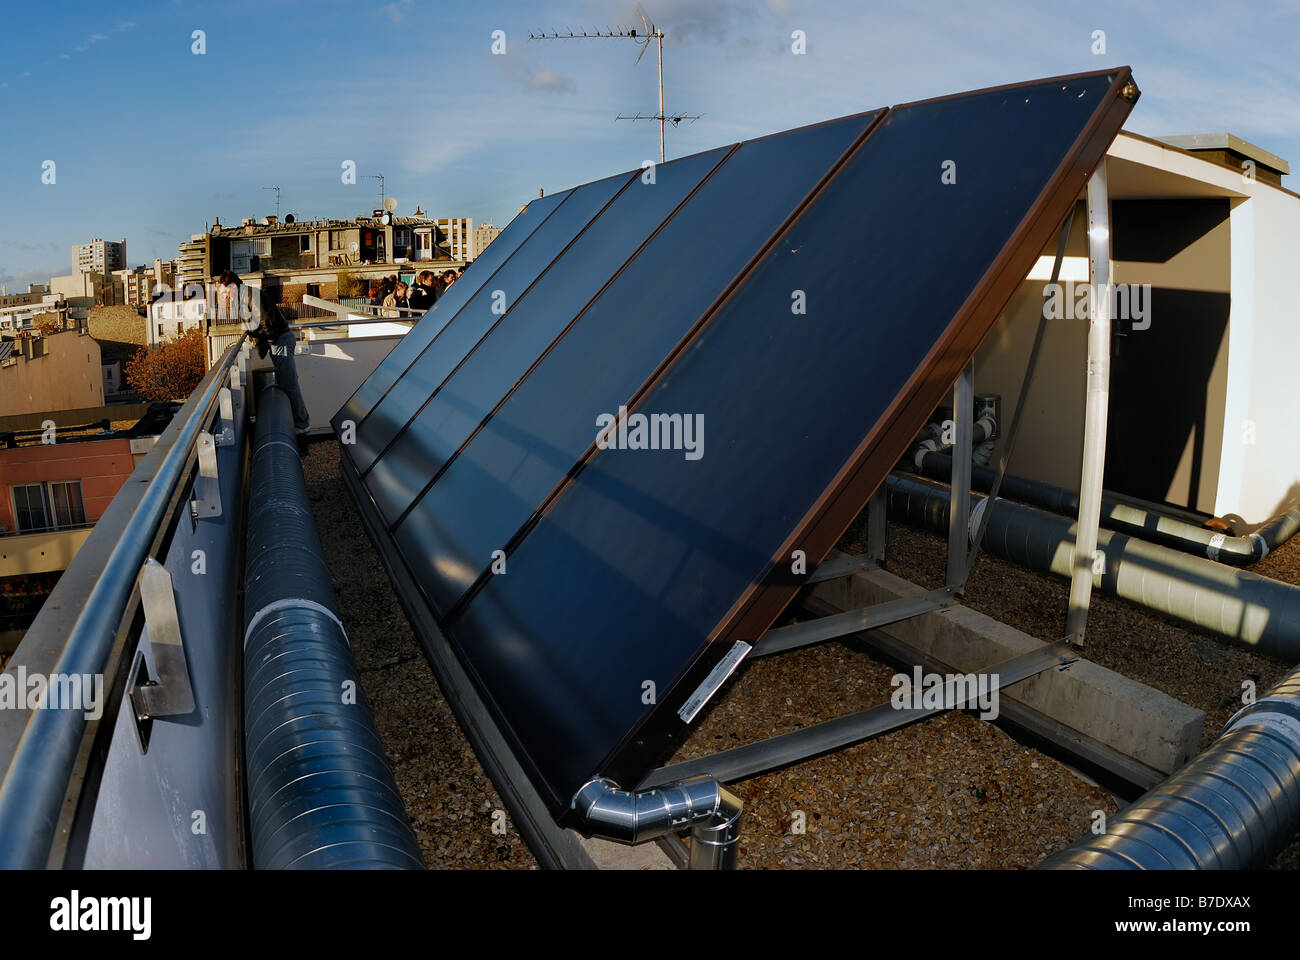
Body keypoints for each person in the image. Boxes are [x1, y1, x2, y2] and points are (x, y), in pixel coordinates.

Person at [228, 274, 311, 433]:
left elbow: (265, 318)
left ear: (232, 286)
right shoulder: (246, 296)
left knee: (288, 382)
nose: (225, 295)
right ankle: (297, 422)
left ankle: (302, 423)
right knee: (286, 381)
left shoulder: (250, 295)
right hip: (278, 340)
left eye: (225, 291)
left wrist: (269, 340)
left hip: (279, 340)